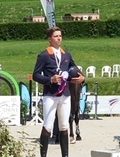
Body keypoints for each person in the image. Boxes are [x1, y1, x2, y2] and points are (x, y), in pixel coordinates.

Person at [33, 27, 84, 157]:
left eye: (60, 36)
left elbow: (75, 68)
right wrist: (50, 79)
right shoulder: (44, 55)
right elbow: (36, 75)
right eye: (56, 36)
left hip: (65, 94)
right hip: (51, 94)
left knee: (64, 125)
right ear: (49, 39)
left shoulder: (66, 54)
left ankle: (65, 155)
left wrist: (82, 77)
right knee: (48, 126)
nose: (59, 38)